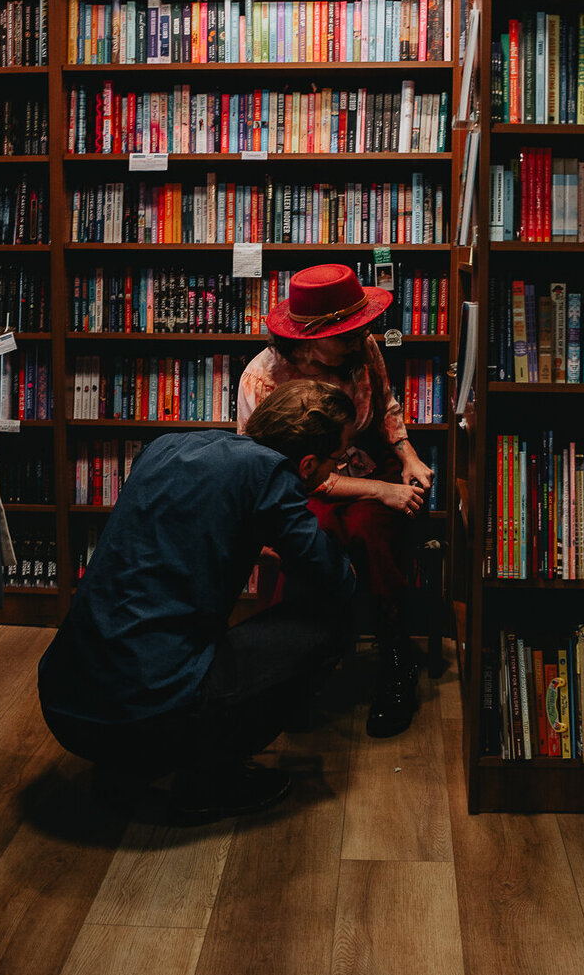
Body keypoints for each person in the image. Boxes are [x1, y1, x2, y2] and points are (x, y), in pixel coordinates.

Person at [38, 380, 357, 823]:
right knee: (331, 621)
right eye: (337, 461)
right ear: (307, 463)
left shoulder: (167, 445)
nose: (335, 471)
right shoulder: (271, 475)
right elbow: (333, 577)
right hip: (145, 719)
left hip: (65, 704)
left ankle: (126, 768)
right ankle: (211, 782)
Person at [237, 262, 432, 738]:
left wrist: (406, 454)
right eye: (347, 335)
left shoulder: (362, 350)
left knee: (374, 532)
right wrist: (381, 490)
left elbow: (385, 404)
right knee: (310, 543)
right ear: (309, 338)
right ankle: (295, 668)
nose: (362, 339)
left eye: (362, 329)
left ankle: (395, 660)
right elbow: (274, 476)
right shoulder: (261, 382)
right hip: (299, 485)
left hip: (366, 458)